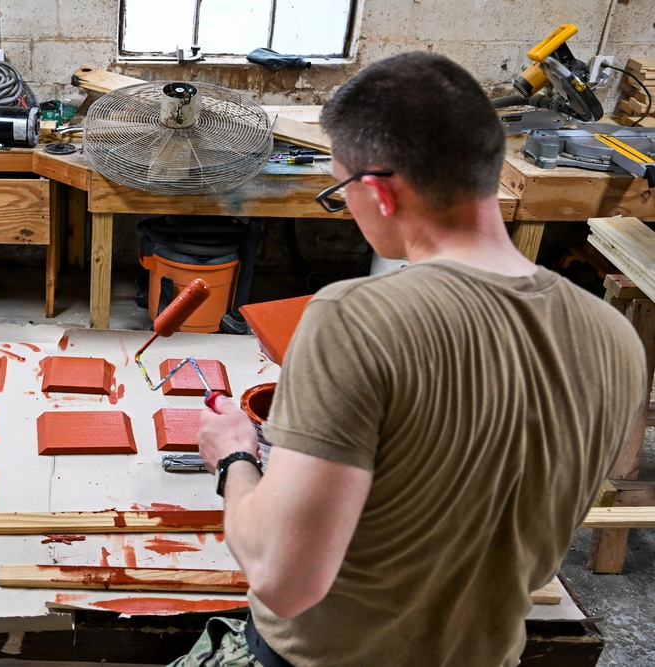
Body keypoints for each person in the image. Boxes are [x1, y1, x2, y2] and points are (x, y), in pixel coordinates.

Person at [173, 51, 648, 667]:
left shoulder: (352, 316)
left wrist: (233, 456)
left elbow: (283, 579)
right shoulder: (617, 339)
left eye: (340, 191)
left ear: (377, 191)